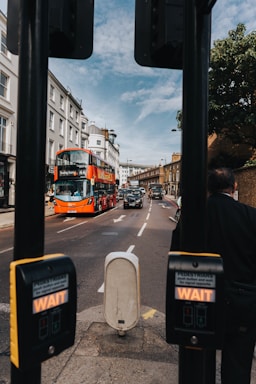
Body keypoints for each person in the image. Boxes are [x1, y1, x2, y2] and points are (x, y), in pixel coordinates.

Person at [170, 168, 256, 383]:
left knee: (200, 359)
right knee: (238, 365)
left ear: (208, 188)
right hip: (242, 302)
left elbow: (175, 254)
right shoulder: (251, 216)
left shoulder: (193, 215)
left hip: (201, 301)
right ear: (234, 187)